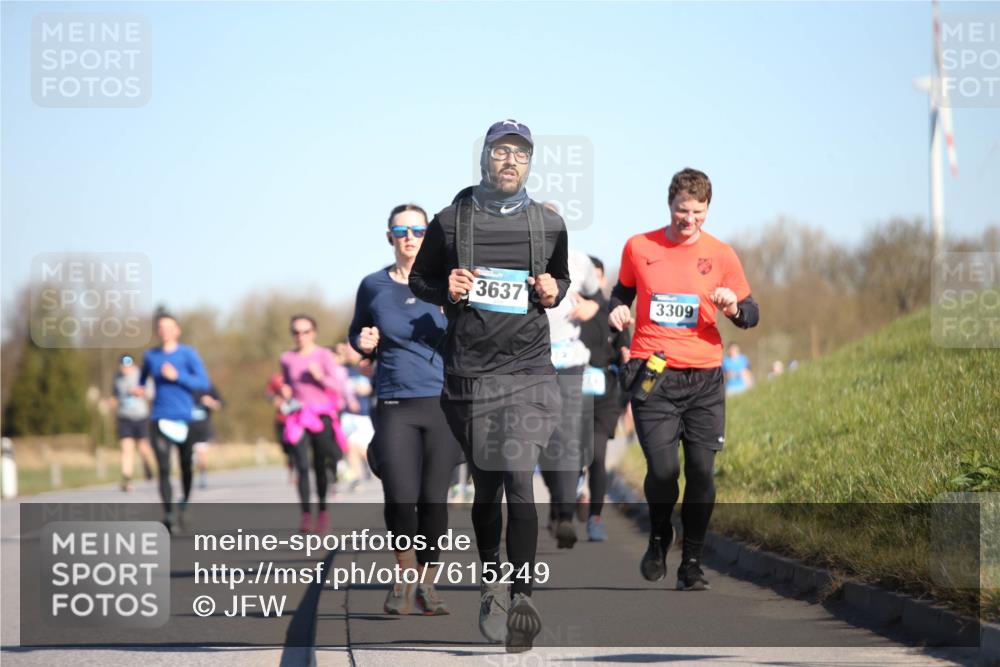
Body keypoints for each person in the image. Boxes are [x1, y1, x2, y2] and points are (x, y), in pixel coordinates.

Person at [410, 119, 570, 653]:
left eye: (520, 155)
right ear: (484, 158)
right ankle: (492, 579)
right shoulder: (450, 221)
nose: (510, 161)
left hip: (528, 371)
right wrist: (446, 288)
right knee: (489, 487)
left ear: (529, 164)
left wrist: (553, 289)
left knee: (520, 477)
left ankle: (522, 595)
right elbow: (421, 279)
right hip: (470, 375)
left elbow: (561, 280)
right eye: (501, 152)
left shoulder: (548, 223)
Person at [609, 168, 759, 591]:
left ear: (707, 210)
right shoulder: (639, 247)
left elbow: (751, 314)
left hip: (705, 377)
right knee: (662, 470)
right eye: (681, 210)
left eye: (697, 211)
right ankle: (659, 535)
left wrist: (733, 308)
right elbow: (622, 293)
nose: (687, 219)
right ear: (669, 205)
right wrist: (617, 313)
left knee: (701, 472)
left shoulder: (723, 255)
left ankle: (691, 561)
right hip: (652, 373)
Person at [349, 203, 462, 616]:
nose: (411, 236)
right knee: (399, 496)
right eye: (402, 229)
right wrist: (361, 341)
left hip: (443, 404)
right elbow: (356, 332)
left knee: (434, 500)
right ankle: (403, 576)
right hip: (395, 401)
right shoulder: (373, 286)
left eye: (419, 229)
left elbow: (476, 333)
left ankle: (428, 585)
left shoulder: (448, 283)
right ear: (390, 236)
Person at [539, 247, 601, 549]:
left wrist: (593, 306)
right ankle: (557, 500)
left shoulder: (579, 260)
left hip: (568, 359)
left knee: (565, 438)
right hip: (526, 360)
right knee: (540, 442)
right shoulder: (512, 253)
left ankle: (565, 515)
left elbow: (599, 296)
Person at [138, 313, 211, 532]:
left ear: (177, 330)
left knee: (185, 466)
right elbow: (142, 380)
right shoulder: (151, 356)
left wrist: (177, 376)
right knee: (163, 468)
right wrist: (140, 389)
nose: (165, 331)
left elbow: (203, 383)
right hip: (160, 417)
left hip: (184, 418)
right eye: (161, 327)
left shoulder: (188, 354)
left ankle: (185, 502)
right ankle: (169, 514)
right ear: (157, 331)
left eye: (169, 327)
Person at [280, 315, 352, 534]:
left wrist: (320, 377)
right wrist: (285, 392)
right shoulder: (287, 358)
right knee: (301, 466)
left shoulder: (322, 355)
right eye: (296, 332)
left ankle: (322, 511)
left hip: (321, 416)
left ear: (314, 333)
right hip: (298, 416)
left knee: (320, 465)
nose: (300, 336)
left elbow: (337, 386)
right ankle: (305, 515)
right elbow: (287, 383)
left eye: (305, 331)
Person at [577, 255, 631, 541]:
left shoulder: (614, 312)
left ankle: (596, 517)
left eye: (596, 275)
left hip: (605, 395)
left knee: (597, 456)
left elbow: (626, 352)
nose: (592, 281)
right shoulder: (570, 307)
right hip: (570, 394)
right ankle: (574, 488)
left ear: (603, 280)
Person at [110, 354, 155, 491]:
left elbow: (152, 393)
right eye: (123, 366)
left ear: (133, 365)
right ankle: (126, 479)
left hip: (141, 416)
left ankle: (146, 464)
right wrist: (112, 402)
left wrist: (140, 392)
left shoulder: (141, 375)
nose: (125, 369)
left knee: (143, 448)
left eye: (128, 366)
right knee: (126, 448)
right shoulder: (117, 378)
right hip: (124, 417)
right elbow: (116, 395)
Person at [190, 383, 223, 489]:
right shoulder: (182, 385)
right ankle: (190, 475)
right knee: (189, 455)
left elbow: (220, 404)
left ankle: (202, 475)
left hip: (203, 427)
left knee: (202, 453)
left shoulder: (208, 387)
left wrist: (210, 402)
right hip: (186, 426)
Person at [266, 372, 296, 482]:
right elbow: (268, 394)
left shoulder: (299, 375)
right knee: (286, 448)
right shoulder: (277, 379)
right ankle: (291, 468)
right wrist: (274, 399)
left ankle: (297, 471)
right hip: (282, 419)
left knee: (296, 447)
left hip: (297, 419)